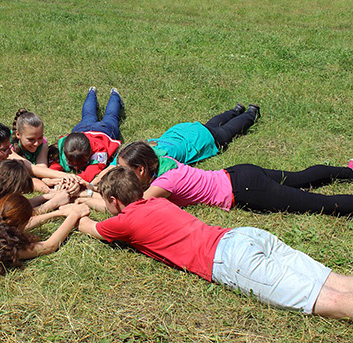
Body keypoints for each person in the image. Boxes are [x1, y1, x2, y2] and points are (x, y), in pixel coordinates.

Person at [78, 167, 353, 319]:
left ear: (113, 201)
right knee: (337, 282)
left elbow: (87, 226)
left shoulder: (123, 223)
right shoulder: (153, 201)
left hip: (231, 261)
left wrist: (73, 209)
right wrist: (87, 196)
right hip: (243, 236)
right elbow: (118, 209)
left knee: (329, 301)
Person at [116, 140, 353, 216]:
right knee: (302, 178)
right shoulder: (163, 161)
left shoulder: (163, 184)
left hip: (246, 189)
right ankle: (349, 171)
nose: (120, 175)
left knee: (317, 204)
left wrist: (87, 196)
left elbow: (132, 208)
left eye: (124, 170)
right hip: (240, 172)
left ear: (141, 170)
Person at [90, 103, 260, 186]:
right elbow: (113, 165)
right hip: (185, 130)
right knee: (211, 124)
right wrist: (96, 181)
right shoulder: (138, 152)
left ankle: (250, 113)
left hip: (204, 139)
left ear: (143, 167)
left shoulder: (168, 159)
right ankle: (235, 110)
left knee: (228, 131)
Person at [49, 87, 124, 182]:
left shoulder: (99, 154)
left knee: (96, 115)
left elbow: (88, 176)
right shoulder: (61, 148)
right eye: (72, 164)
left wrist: (69, 180)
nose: (76, 168)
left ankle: (95, 92)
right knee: (107, 116)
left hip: (102, 131)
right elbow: (52, 169)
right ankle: (113, 94)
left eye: (81, 164)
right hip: (86, 130)